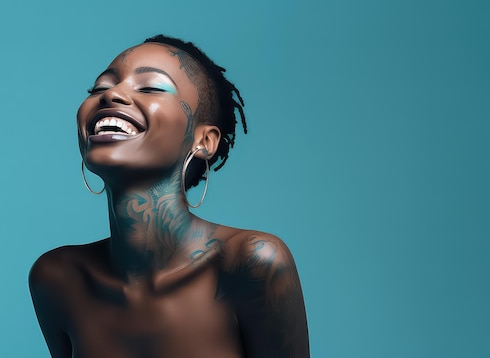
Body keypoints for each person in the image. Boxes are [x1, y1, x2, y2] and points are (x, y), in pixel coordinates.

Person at [29, 34, 309, 358]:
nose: (113, 94)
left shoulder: (252, 264)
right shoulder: (58, 280)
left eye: (149, 87)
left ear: (204, 140)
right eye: (99, 88)